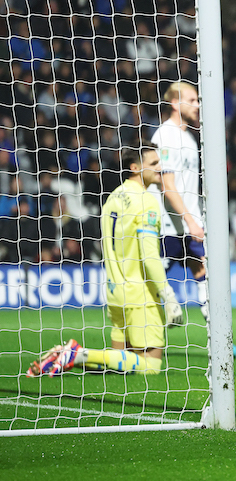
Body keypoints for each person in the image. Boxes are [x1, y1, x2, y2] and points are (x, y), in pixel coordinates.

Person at [27, 145, 184, 377]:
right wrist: (167, 294)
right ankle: (77, 354)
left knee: (119, 364)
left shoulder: (113, 198)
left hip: (114, 291)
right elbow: (150, 256)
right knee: (150, 366)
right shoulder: (146, 202)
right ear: (135, 168)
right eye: (153, 164)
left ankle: (68, 356)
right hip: (140, 293)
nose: (160, 167)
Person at [150, 82, 236, 358]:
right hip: (168, 224)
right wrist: (190, 221)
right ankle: (139, 340)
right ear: (175, 103)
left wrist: (197, 218)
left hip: (188, 222)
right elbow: (167, 185)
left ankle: (222, 343)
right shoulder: (166, 136)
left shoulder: (188, 137)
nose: (197, 105)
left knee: (204, 275)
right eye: (192, 100)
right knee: (151, 281)